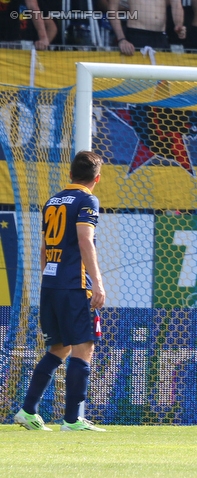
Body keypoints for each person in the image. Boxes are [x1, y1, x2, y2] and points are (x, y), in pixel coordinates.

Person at [13, 151, 106, 432]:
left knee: (59, 348)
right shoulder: (87, 199)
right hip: (73, 285)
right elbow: (85, 241)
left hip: (50, 284)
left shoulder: (53, 201)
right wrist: (98, 282)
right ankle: (73, 420)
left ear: (70, 175)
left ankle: (28, 411)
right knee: (84, 347)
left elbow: (43, 248)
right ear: (97, 179)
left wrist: (49, 280)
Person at [109, 0, 186, 55]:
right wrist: (121, 39)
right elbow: (112, 8)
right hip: (137, 35)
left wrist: (179, 25)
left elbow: (176, 4)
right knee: (137, 76)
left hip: (161, 37)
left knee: (161, 75)